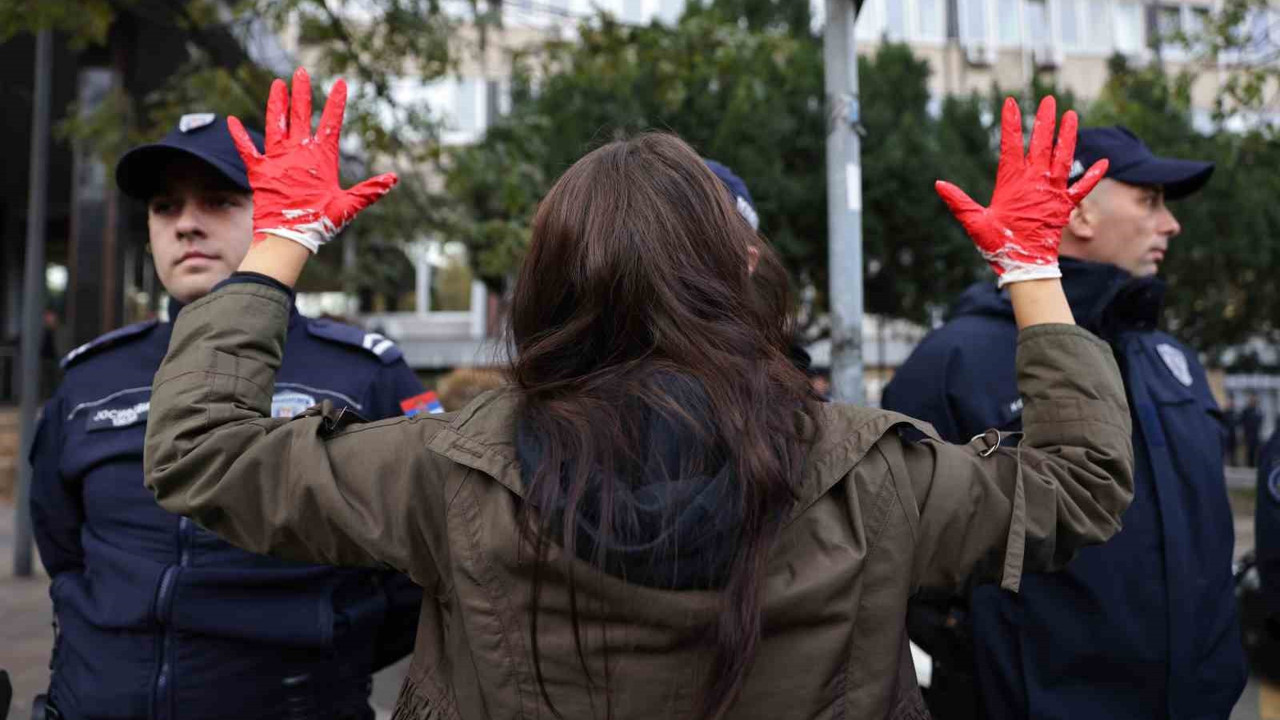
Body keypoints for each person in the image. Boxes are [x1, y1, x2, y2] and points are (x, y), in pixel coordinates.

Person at [143, 71, 1133, 719]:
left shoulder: (447, 471)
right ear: (738, 276)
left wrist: (282, 242)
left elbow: (202, 451)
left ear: (544, 288)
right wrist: (1028, 267)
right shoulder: (871, 472)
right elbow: (1079, 484)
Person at [28, 108, 428, 720]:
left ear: (269, 213)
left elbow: (416, 564)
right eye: (165, 208)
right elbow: (64, 549)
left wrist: (326, 650)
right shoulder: (89, 376)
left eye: (217, 201)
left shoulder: (363, 373)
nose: (186, 224)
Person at [883, 123, 1246, 719]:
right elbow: (895, 534)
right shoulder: (956, 358)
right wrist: (991, 657)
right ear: (1079, 215)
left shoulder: (1170, 357)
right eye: (1150, 201)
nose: (1171, 224)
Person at [1244, 395, 1264, 467]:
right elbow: (1244, 421)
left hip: (1256, 433)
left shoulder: (1258, 410)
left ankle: (1256, 464)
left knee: (1257, 450)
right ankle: (1250, 465)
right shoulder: (1246, 411)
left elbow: (1261, 420)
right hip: (1249, 434)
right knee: (1250, 451)